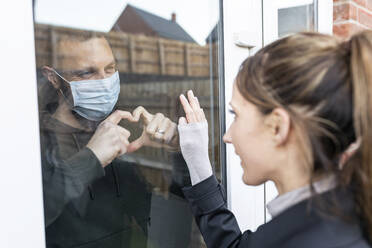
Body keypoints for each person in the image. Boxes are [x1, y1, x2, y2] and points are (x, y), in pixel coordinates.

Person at [177, 30, 372, 248]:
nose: (227, 136)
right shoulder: (339, 214)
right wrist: (195, 158)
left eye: (236, 115)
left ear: (278, 127)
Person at [38, 34, 186, 247]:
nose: (105, 83)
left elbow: (160, 227)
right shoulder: (32, 141)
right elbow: (25, 217)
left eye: (110, 69)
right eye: (87, 72)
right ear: (53, 77)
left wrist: (177, 152)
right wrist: (90, 158)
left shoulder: (117, 134)